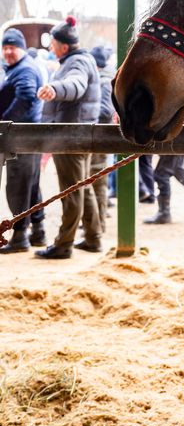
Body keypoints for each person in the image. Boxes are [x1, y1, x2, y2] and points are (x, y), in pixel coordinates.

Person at [35, 16, 101, 259]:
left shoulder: (76, 64)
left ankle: (64, 244)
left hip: (70, 137)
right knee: (83, 187)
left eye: (53, 44)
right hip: (80, 135)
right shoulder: (80, 60)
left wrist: (55, 89)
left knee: (71, 191)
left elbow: (75, 85)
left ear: (63, 46)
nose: (50, 48)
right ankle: (93, 237)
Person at [0, 28, 46, 253]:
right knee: (31, 184)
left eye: (12, 47)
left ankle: (20, 237)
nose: (8, 51)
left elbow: (26, 98)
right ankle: (38, 231)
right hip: (28, 136)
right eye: (5, 47)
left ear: (22, 48)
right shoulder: (15, 68)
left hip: (21, 136)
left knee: (17, 185)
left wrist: (3, 121)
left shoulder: (25, 69)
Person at [81, 45, 116, 232]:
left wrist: (89, 116)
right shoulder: (108, 79)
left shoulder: (103, 82)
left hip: (100, 136)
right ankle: (97, 221)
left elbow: (104, 111)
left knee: (97, 181)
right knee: (97, 180)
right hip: (101, 135)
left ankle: (99, 222)